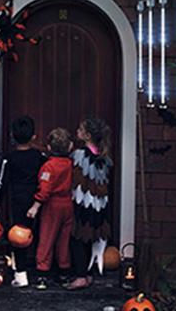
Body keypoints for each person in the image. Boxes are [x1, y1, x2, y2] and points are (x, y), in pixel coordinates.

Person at [0, 115, 46, 288]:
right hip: (38, 201)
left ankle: (21, 275)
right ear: (34, 136)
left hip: (19, 202)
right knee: (39, 235)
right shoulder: (40, 157)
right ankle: (42, 273)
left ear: (12, 135)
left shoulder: (10, 159)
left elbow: (2, 182)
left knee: (18, 238)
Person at [65, 116, 113, 290]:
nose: (76, 131)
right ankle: (89, 274)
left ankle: (80, 276)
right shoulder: (103, 156)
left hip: (83, 203)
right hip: (100, 204)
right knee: (92, 237)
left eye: (79, 129)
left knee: (77, 238)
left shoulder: (79, 155)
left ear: (87, 135)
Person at [26, 128, 74, 289]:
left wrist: (35, 206)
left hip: (52, 206)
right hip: (68, 204)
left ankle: (42, 274)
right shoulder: (70, 165)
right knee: (64, 240)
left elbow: (45, 190)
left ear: (48, 148)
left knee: (47, 237)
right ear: (70, 147)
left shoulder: (49, 167)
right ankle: (64, 273)